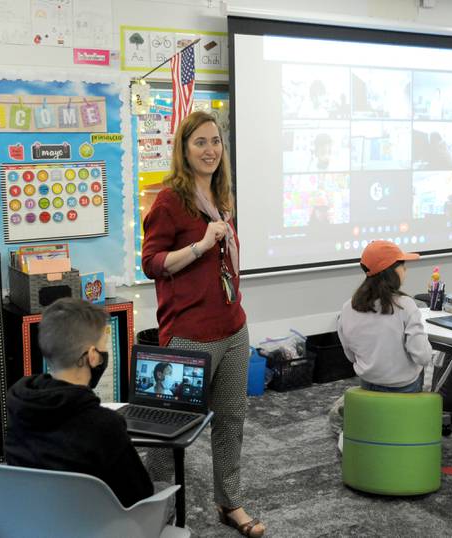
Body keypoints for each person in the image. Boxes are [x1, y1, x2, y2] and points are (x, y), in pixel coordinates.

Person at [141, 111, 264, 538]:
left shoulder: (221, 195)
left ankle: (228, 502)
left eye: (216, 142)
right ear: (184, 149)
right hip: (187, 336)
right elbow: (152, 264)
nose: (211, 150)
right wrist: (199, 246)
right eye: (200, 142)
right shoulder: (169, 201)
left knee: (232, 419)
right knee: (166, 434)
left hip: (233, 328)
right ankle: (156, 512)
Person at [4, 298, 154, 509]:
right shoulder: (105, 425)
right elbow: (139, 496)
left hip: (34, 521)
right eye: (103, 346)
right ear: (92, 356)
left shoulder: (18, 404)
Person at [338, 240, 434, 392]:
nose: (405, 270)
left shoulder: (348, 307)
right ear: (392, 271)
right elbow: (423, 356)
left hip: (367, 384)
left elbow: (350, 355)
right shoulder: (405, 305)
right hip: (404, 387)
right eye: (402, 266)